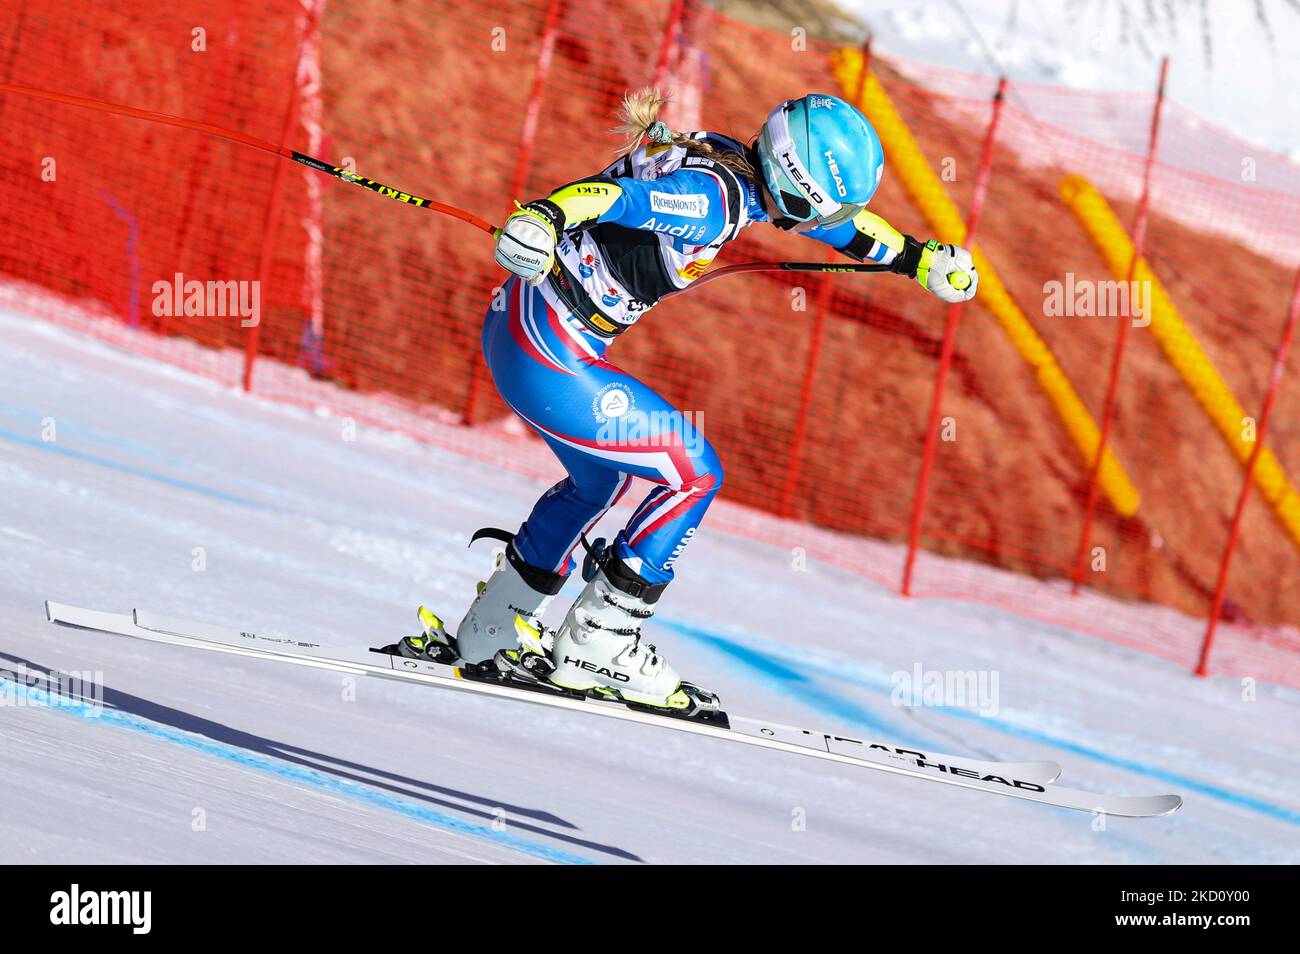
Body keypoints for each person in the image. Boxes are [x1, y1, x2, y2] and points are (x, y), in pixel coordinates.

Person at [398, 88, 978, 713]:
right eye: (816, 209)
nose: (819, 224)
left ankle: (492, 629)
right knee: (694, 473)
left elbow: (843, 228)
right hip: (548, 352)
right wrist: (544, 216)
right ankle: (600, 639)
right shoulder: (712, 203)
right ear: (796, 189)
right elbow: (618, 198)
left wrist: (917, 260)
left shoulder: (735, 166)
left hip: (525, 330)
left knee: (597, 484)